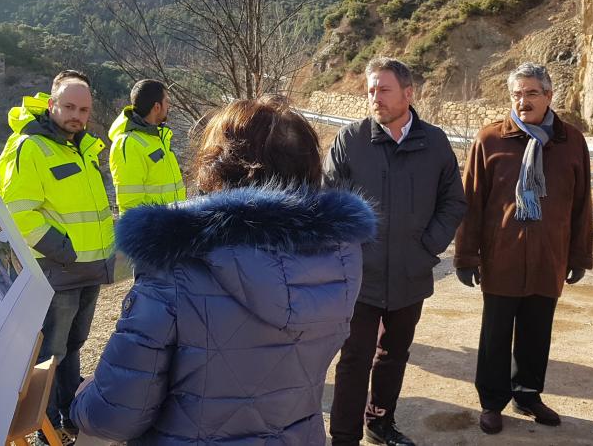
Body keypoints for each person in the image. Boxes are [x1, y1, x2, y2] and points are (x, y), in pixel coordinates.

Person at [70, 98, 377, 444]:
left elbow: (113, 417)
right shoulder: (341, 255)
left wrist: (82, 397)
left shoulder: (176, 263)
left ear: (217, 163)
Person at [325, 57, 466, 446]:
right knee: (354, 360)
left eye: (383, 90)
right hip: (361, 277)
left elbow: (453, 201)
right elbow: (330, 203)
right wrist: (349, 253)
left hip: (411, 274)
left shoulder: (435, 142)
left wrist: (427, 246)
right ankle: (344, 437)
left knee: (394, 355)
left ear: (408, 93)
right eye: (371, 90)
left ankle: (380, 423)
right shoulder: (350, 140)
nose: (375, 98)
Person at [453, 62, 593, 435]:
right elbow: (472, 202)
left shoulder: (571, 141)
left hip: (549, 255)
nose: (523, 101)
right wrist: (467, 256)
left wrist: (579, 255)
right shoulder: (491, 140)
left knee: (537, 330)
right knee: (495, 334)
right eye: (517, 94)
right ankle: (492, 402)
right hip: (502, 256)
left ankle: (528, 395)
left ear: (549, 96)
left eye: (532, 93)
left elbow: (581, 204)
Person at [0, 70, 115, 445]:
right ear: (51, 105)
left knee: (74, 346)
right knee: (50, 355)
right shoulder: (29, 147)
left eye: (84, 109)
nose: (77, 115)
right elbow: (15, 211)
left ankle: (69, 416)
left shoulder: (83, 147)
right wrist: (63, 251)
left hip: (90, 270)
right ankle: (44, 430)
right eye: (69, 106)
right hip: (59, 271)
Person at [108, 79, 186, 215]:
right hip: (156, 232)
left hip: (173, 226)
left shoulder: (158, 138)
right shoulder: (128, 144)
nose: (169, 106)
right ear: (157, 107)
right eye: (167, 101)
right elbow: (130, 206)